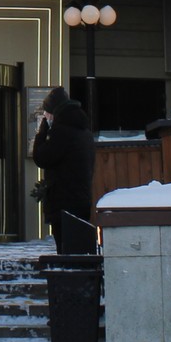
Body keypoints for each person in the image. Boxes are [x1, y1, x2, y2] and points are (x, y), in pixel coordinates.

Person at [33, 85, 98, 255]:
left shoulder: (61, 132)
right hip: (81, 198)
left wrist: (42, 130)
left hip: (62, 200)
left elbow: (41, 157)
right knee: (77, 248)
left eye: (47, 112)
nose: (45, 116)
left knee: (64, 250)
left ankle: (67, 279)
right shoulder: (84, 132)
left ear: (54, 112)